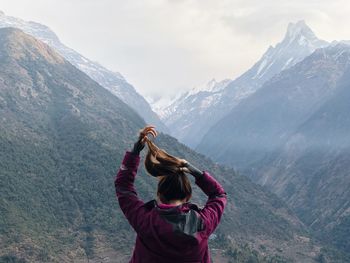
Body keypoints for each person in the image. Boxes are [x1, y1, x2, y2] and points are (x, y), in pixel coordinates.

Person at [115, 125, 227, 263]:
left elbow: (123, 187)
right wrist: (195, 171)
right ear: (187, 196)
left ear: (160, 195)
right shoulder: (202, 223)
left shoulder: (145, 221)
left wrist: (135, 151)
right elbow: (218, 195)